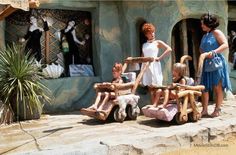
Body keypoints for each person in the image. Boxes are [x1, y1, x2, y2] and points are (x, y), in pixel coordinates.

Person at [199, 13, 232, 117]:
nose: (201, 25)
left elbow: (225, 44)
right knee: (204, 87)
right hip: (206, 63)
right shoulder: (205, 35)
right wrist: (203, 53)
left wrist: (213, 52)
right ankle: (204, 110)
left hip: (216, 63)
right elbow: (201, 48)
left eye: (203, 23)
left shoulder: (216, 32)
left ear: (208, 23)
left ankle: (217, 109)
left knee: (217, 87)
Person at [141, 23, 172, 105]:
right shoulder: (144, 45)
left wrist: (159, 57)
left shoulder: (157, 42)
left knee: (157, 85)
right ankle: (153, 104)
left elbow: (169, 49)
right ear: (146, 34)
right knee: (150, 87)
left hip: (155, 65)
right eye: (150, 33)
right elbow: (143, 55)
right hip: (146, 66)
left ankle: (155, 104)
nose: (152, 34)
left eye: (153, 32)